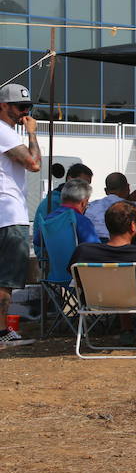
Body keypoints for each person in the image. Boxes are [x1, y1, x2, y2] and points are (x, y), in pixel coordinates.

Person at [70, 201, 136, 345]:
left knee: (118, 286)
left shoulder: (84, 252)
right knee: (135, 286)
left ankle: (126, 330)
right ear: (132, 226)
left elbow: (74, 274)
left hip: (95, 301)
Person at [0, 83, 41, 347]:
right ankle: (3, 333)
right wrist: (33, 134)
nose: (24, 112)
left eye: (28, 107)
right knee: (5, 280)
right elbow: (34, 164)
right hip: (9, 213)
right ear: (3, 105)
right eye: (19, 107)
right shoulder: (5, 133)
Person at [33, 178, 100, 250]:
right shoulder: (82, 221)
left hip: (54, 261)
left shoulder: (49, 219)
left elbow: (37, 241)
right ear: (83, 203)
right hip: (77, 261)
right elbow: (95, 248)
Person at [85, 172, 136, 240]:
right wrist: (132, 202)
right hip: (126, 248)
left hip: (97, 247)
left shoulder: (91, 206)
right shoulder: (135, 209)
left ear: (106, 191)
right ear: (128, 187)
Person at [34, 162, 93, 230]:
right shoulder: (53, 202)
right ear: (70, 179)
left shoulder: (55, 200)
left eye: (88, 184)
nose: (86, 187)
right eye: (82, 183)